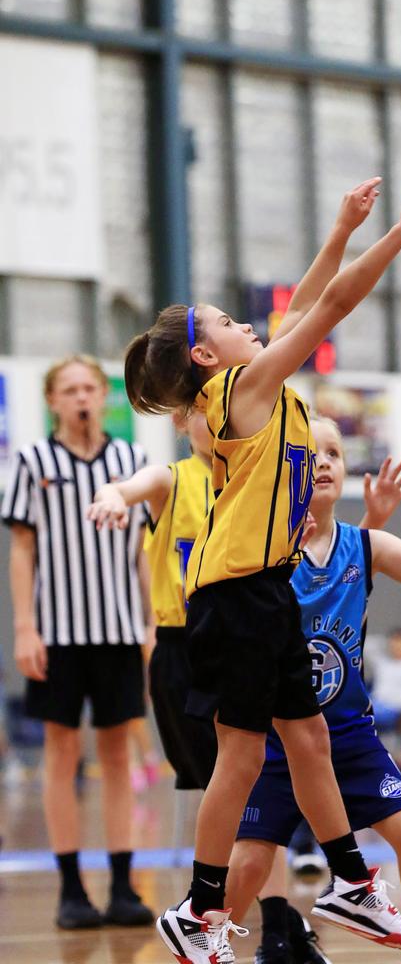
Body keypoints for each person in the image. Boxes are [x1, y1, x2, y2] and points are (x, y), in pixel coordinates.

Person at [123, 172, 401, 964]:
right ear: (207, 354)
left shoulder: (254, 388)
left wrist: (341, 229)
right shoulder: (238, 392)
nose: (256, 327)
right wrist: (395, 238)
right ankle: (200, 910)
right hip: (235, 597)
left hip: (258, 591)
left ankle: (349, 881)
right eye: (233, 322)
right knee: (243, 755)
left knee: (307, 741)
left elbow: (300, 307)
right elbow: (325, 310)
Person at [225, 416, 401, 964]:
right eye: (310, 455)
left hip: (347, 735)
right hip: (277, 741)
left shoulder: (364, 545)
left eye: (333, 453)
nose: (324, 463)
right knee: (245, 865)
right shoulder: (262, 549)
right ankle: (208, 944)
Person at [1, 355, 154, 930]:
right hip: (57, 633)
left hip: (116, 630)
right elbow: (22, 548)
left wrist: (150, 624)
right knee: (61, 755)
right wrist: (23, 626)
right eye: (70, 389)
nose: (82, 396)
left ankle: (121, 886)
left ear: (102, 395)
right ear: (52, 400)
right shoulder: (31, 460)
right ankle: (70, 889)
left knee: (117, 757)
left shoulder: (130, 461)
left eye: (90, 387)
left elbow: (143, 551)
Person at [88, 407, 219, 794]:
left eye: (225, 411)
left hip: (246, 640)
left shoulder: (258, 483)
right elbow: (126, 488)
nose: (217, 421)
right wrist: (112, 495)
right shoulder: (171, 479)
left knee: (260, 780)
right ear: (180, 420)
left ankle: (294, 851)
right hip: (183, 646)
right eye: (204, 412)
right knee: (219, 784)